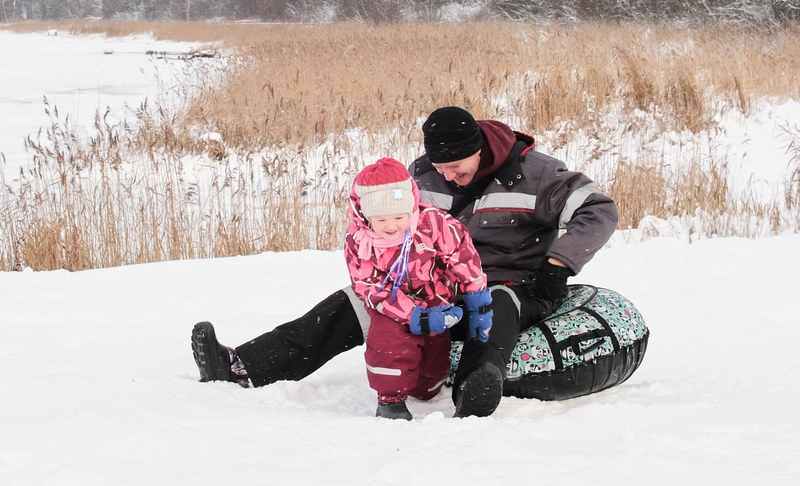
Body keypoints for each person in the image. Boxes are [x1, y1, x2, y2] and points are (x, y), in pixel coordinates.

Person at [191, 105, 618, 418]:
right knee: (354, 303)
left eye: (456, 166)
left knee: (496, 301)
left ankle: (475, 385)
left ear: (479, 151)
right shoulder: (422, 177)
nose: (447, 176)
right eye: (440, 166)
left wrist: (559, 263)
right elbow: (381, 230)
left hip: (510, 283)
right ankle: (242, 365)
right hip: (426, 288)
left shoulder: (540, 175)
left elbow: (599, 210)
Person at [342, 157, 489, 420]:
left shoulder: (433, 223)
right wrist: (413, 315)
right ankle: (390, 400)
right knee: (387, 342)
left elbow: (462, 257)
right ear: (365, 215)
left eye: (399, 216)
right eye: (381, 219)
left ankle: (429, 385)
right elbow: (368, 287)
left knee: (431, 370)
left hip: (437, 303)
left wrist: (477, 300)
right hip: (392, 307)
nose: (391, 226)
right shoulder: (360, 241)